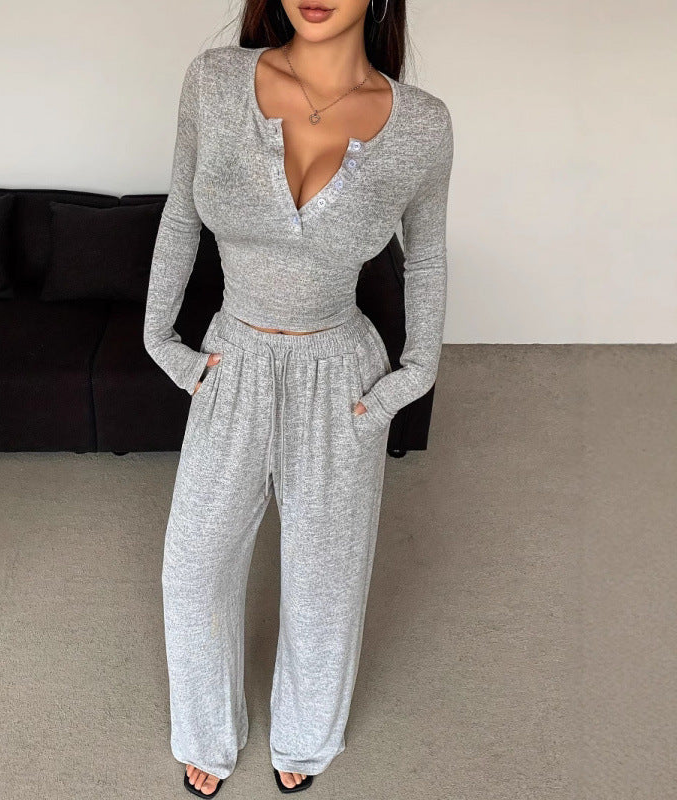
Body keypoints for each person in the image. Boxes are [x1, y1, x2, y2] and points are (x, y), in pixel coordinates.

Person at [143, 1, 454, 796]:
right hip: (234, 358)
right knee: (193, 568)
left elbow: (426, 256)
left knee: (325, 582)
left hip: (339, 373)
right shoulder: (214, 82)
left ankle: (306, 736)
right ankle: (207, 733)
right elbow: (180, 212)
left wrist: (414, 374)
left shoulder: (421, 125)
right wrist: (161, 340)